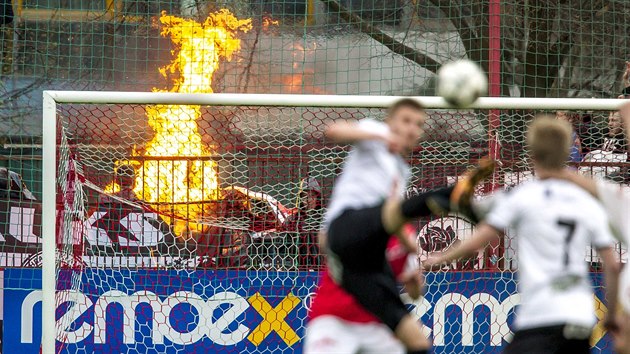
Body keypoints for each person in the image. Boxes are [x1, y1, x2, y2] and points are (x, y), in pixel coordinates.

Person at [424, 117, 621, 354]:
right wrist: (610, 315)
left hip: (542, 316)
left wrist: (440, 258)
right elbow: (611, 263)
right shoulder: (585, 201)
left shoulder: (523, 196)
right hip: (580, 317)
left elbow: (479, 239)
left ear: (533, 155)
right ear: (566, 155)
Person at [319, 98, 495, 353]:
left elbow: (392, 219)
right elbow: (334, 131)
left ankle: (459, 199)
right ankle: (455, 196)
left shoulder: (401, 172)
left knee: (416, 341)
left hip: (361, 264)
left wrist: (409, 246)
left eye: (418, 124)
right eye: (405, 121)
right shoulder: (375, 134)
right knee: (396, 210)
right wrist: (381, 137)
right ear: (390, 122)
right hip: (344, 230)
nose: (412, 129)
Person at [304, 224, 421, 354]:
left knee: (418, 342)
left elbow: (415, 293)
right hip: (333, 317)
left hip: (376, 324)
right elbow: (323, 239)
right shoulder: (355, 218)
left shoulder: (407, 237)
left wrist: (414, 282)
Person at [280, 177, 323, 269]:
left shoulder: (325, 218)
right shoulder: (292, 219)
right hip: (297, 267)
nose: (309, 200)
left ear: (317, 198)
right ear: (300, 199)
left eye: (312, 196)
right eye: (305, 196)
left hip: (321, 267)